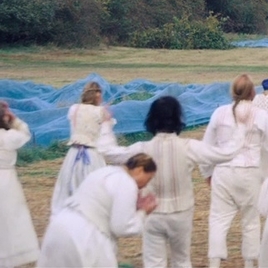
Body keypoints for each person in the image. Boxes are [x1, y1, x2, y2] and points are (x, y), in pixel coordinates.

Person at [103, 95, 238, 268]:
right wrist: (241, 130)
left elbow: (109, 152)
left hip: (152, 213)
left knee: (153, 262)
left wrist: (106, 124)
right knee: (181, 261)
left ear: (152, 119)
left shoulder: (141, 148)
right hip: (181, 213)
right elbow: (225, 154)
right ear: (177, 119)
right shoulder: (189, 146)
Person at [202, 73, 268, 268]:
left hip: (223, 171)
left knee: (218, 219)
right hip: (250, 171)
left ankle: (214, 262)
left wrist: (207, 172)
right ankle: (250, 262)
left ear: (233, 92)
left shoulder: (219, 113)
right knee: (250, 220)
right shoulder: (260, 115)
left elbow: (207, 144)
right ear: (252, 92)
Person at [38, 153, 159, 267]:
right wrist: (143, 212)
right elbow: (122, 227)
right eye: (148, 178)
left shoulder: (104, 171)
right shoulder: (127, 182)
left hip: (60, 225)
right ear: (139, 170)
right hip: (84, 235)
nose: (146, 185)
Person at [51, 81, 113, 210]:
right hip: (91, 154)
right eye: (100, 94)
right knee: (94, 186)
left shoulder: (74, 108)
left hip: (74, 153)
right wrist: (107, 119)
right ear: (96, 95)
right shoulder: (99, 111)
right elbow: (104, 134)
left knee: (71, 183)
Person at [0, 102, 39, 268]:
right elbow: (25, 132)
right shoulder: (8, 137)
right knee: (10, 217)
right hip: (6, 180)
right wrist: (14, 119)